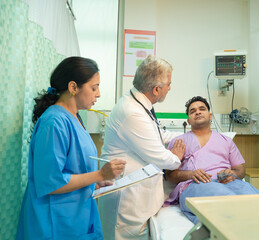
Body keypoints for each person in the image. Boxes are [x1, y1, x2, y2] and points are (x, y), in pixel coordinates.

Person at [16, 57, 126, 240]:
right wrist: (99, 175)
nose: (98, 94)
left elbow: (72, 169)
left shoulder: (75, 118)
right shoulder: (54, 122)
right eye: (94, 87)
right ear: (73, 87)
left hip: (74, 216)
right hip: (54, 222)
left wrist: (95, 183)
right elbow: (51, 181)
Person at [98, 55, 185, 240]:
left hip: (140, 195)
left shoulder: (139, 105)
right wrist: (176, 157)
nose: (170, 88)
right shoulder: (132, 112)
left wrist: (191, 136)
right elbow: (160, 157)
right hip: (127, 199)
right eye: (168, 84)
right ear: (156, 89)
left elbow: (160, 135)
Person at [165, 96, 259, 224]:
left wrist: (233, 174)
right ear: (188, 121)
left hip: (228, 182)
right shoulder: (179, 142)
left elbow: (240, 170)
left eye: (201, 109)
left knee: (252, 196)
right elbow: (169, 176)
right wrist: (191, 174)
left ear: (210, 116)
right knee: (223, 197)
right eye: (193, 111)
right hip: (195, 184)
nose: (197, 112)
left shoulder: (226, 141)